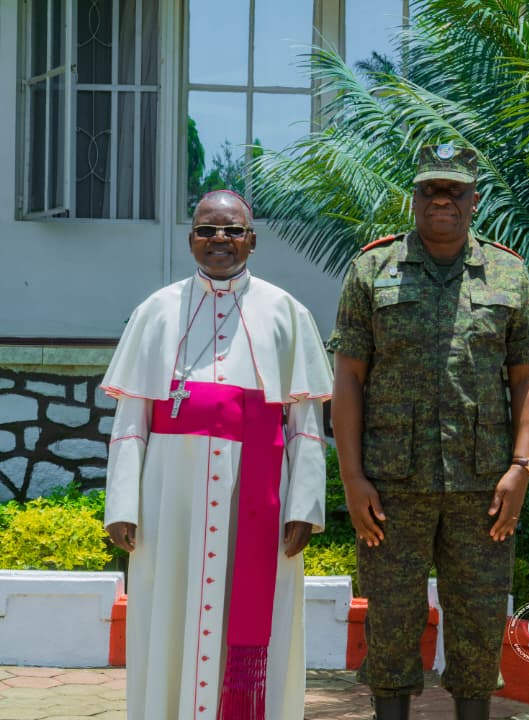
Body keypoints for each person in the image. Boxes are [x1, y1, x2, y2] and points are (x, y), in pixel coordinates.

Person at [327, 142, 529, 720]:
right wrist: (351, 477)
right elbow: (347, 377)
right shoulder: (372, 268)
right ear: (414, 198)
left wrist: (521, 468)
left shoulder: (508, 271)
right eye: (430, 189)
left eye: (454, 190)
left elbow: (526, 378)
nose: (441, 199)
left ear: (475, 200)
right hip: (391, 485)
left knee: (477, 618)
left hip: (484, 486)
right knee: (391, 619)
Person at [101, 189, 333, 719]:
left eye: (232, 230)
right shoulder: (157, 311)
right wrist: (121, 505)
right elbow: (131, 424)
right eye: (207, 230)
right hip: (170, 500)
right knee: (169, 615)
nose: (219, 240)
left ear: (252, 240)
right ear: (191, 240)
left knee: (256, 619)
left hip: (255, 499)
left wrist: (304, 506)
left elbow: (303, 427)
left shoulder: (286, 312)